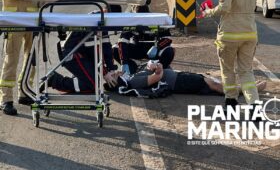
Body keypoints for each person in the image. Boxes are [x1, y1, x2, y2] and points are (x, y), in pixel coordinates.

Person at [201, 0, 260, 113]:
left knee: (227, 70)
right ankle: (254, 105)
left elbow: (224, 7)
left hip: (229, 34)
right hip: (249, 32)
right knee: (246, 72)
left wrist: (208, 12)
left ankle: (231, 102)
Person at [0, 0, 43, 115]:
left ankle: (24, 91)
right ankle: (6, 99)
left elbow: (42, 0)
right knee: (11, 60)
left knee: (31, 59)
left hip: (32, 23)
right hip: (13, 23)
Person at [105, 61, 267, 98]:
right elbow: (156, 78)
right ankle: (245, 91)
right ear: (116, 81)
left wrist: (151, 64)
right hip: (178, 82)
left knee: (210, 80)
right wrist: (158, 67)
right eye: (113, 75)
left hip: (178, 78)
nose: (114, 72)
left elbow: (151, 72)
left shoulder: (132, 77)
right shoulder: (133, 82)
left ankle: (243, 88)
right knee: (212, 84)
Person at [40, 28, 118, 94]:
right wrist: (105, 73)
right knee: (92, 85)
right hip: (70, 53)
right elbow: (93, 53)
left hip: (81, 53)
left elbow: (106, 48)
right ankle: (54, 80)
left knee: (92, 81)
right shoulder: (94, 22)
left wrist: (111, 69)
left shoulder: (104, 23)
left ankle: (78, 77)